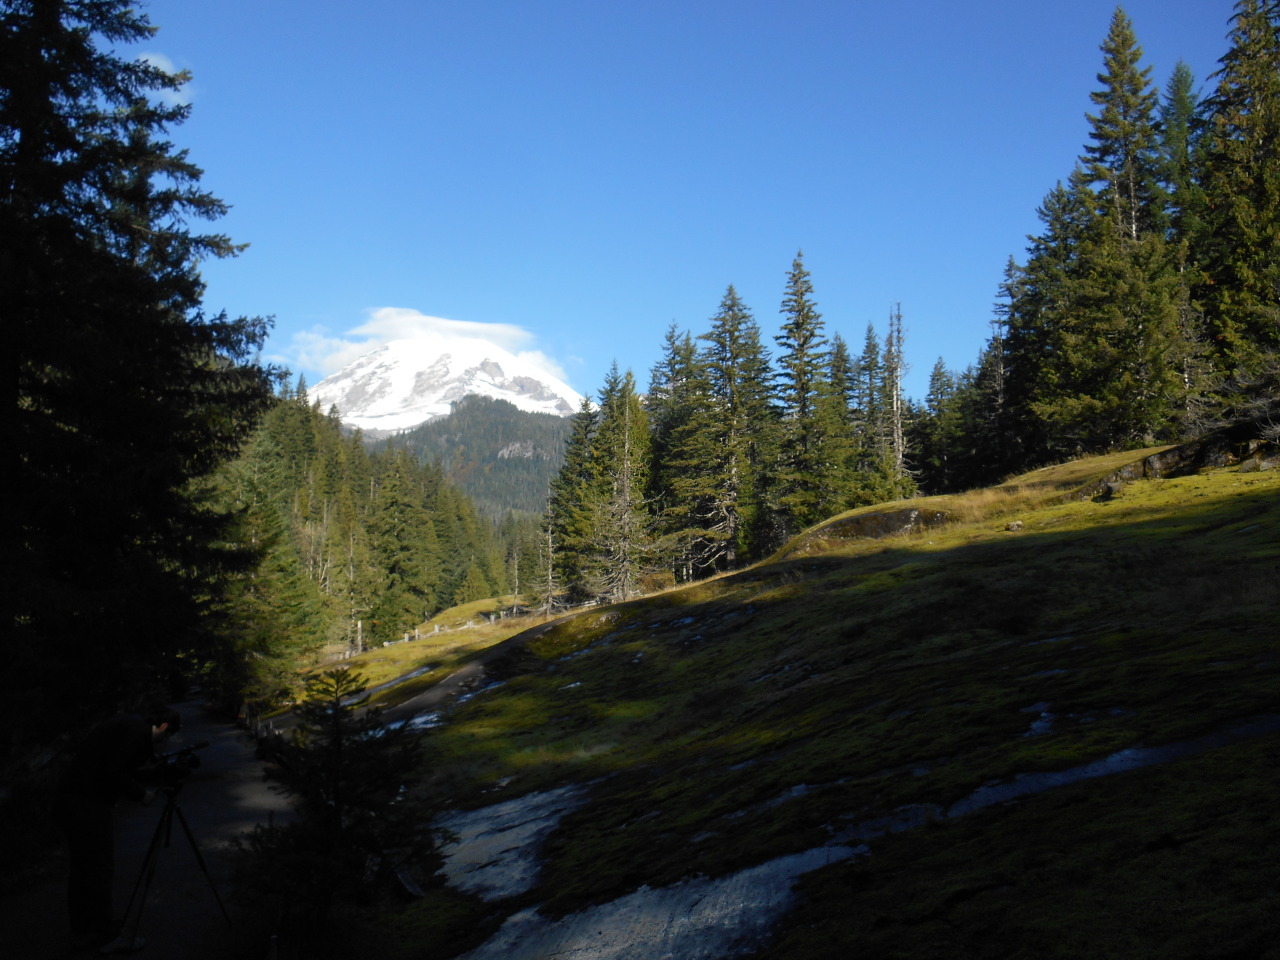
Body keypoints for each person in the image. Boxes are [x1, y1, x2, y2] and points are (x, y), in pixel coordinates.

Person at [54, 706, 181, 954]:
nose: (164, 742)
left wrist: (151, 775)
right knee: (100, 868)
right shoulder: (138, 733)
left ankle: (83, 932)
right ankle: (106, 936)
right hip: (88, 805)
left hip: (72, 800)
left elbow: (119, 767)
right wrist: (141, 794)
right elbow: (114, 771)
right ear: (164, 727)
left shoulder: (131, 725)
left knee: (82, 870)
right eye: (167, 736)